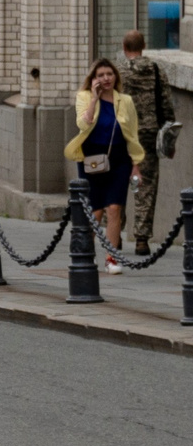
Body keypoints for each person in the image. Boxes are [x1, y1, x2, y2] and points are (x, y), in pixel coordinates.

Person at [66, 57, 144, 272]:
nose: (106, 78)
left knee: (114, 208)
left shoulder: (125, 101)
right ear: (93, 79)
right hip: (92, 158)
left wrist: (136, 165)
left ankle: (112, 257)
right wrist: (94, 98)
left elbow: (133, 135)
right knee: (96, 210)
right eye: (100, 75)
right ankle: (85, 252)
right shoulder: (83, 97)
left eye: (109, 74)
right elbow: (83, 123)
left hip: (119, 159)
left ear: (116, 77)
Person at [119, 30, 176, 254]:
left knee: (119, 181)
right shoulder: (154, 69)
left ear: (125, 48)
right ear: (143, 46)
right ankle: (141, 238)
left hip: (121, 134)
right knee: (146, 184)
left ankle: (115, 233)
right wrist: (169, 134)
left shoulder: (117, 71)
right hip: (147, 135)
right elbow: (166, 103)